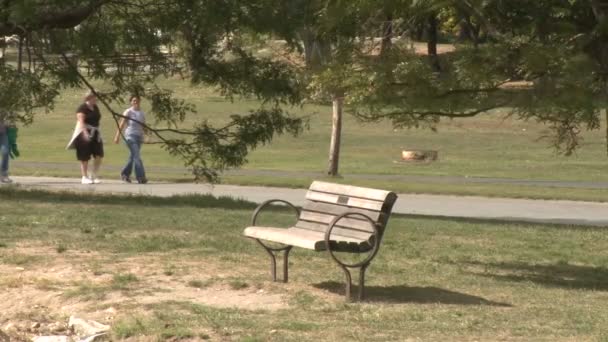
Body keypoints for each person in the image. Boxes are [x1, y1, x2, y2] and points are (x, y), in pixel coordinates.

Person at [66, 91, 104, 184]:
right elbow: (81, 121)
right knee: (84, 156)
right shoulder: (82, 108)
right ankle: (84, 177)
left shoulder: (95, 107)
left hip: (95, 133)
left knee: (99, 154)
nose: (96, 99)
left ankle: (93, 175)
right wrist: (85, 133)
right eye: (94, 97)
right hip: (83, 133)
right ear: (89, 98)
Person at [113, 95, 147, 184]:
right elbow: (122, 124)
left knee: (133, 157)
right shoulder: (128, 112)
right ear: (131, 102)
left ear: (140, 101)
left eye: (137, 100)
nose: (135, 102)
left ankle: (125, 174)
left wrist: (146, 136)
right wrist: (117, 136)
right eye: (133, 101)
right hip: (130, 136)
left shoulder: (142, 113)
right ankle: (141, 177)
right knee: (137, 156)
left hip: (139, 137)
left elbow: (144, 126)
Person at [0, 115, 12, 183]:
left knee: (5, 152)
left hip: (3, 133)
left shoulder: (5, 106)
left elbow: (9, 118)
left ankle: (4, 175)